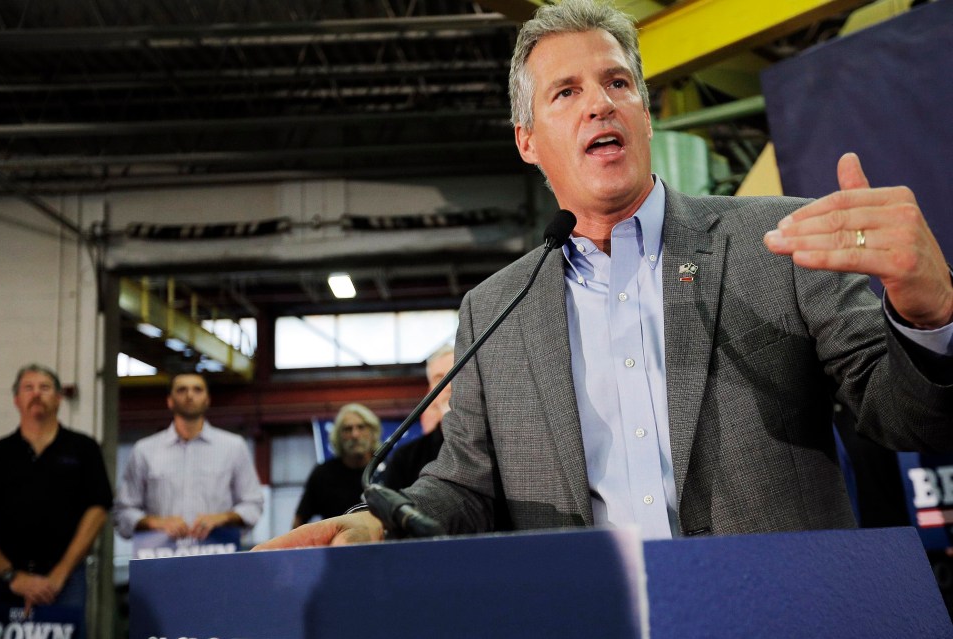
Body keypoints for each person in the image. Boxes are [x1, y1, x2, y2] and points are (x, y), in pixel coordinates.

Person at [255, 0, 953, 550]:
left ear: (645, 113)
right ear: (528, 140)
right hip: (594, 632)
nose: (600, 102)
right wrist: (376, 524)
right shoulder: (494, 309)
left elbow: (906, 419)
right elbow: (462, 488)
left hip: (781, 624)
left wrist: (928, 317)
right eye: (565, 92)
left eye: (618, 82)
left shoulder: (776, 242)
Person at [0, 364, 113, 613]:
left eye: (45, 387)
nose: (36, 394)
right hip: (1, 582)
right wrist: (12, 576)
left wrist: (60, 574)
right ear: (16, 400)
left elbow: (98, 511)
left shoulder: (84, 449)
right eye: (28, 388)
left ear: (59, 398)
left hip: (64, 582)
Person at [113, 373, 263, 540]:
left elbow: (253, 504)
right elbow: (123, 512)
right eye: (182, 390)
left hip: (217, 555)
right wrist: (156, 523)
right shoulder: (144, 450)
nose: (190, 395)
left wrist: (222, 518)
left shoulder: (233, 447)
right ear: (169, 401)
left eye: (197, 390)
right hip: (161, 557)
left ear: (207, 400)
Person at [293, 403, 381, 528]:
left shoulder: (391, 470)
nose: (355, 435)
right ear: (338, 436)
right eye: (347, 429)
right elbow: (299, 521)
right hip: (337, 545)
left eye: (361, 427)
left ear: (373, 432)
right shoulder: (322, 474)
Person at [384, 345, 455, 490]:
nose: (448, 386)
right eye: (439, 379)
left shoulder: (497, 446)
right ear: (430, 390)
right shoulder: (405, 459)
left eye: (455, 375)